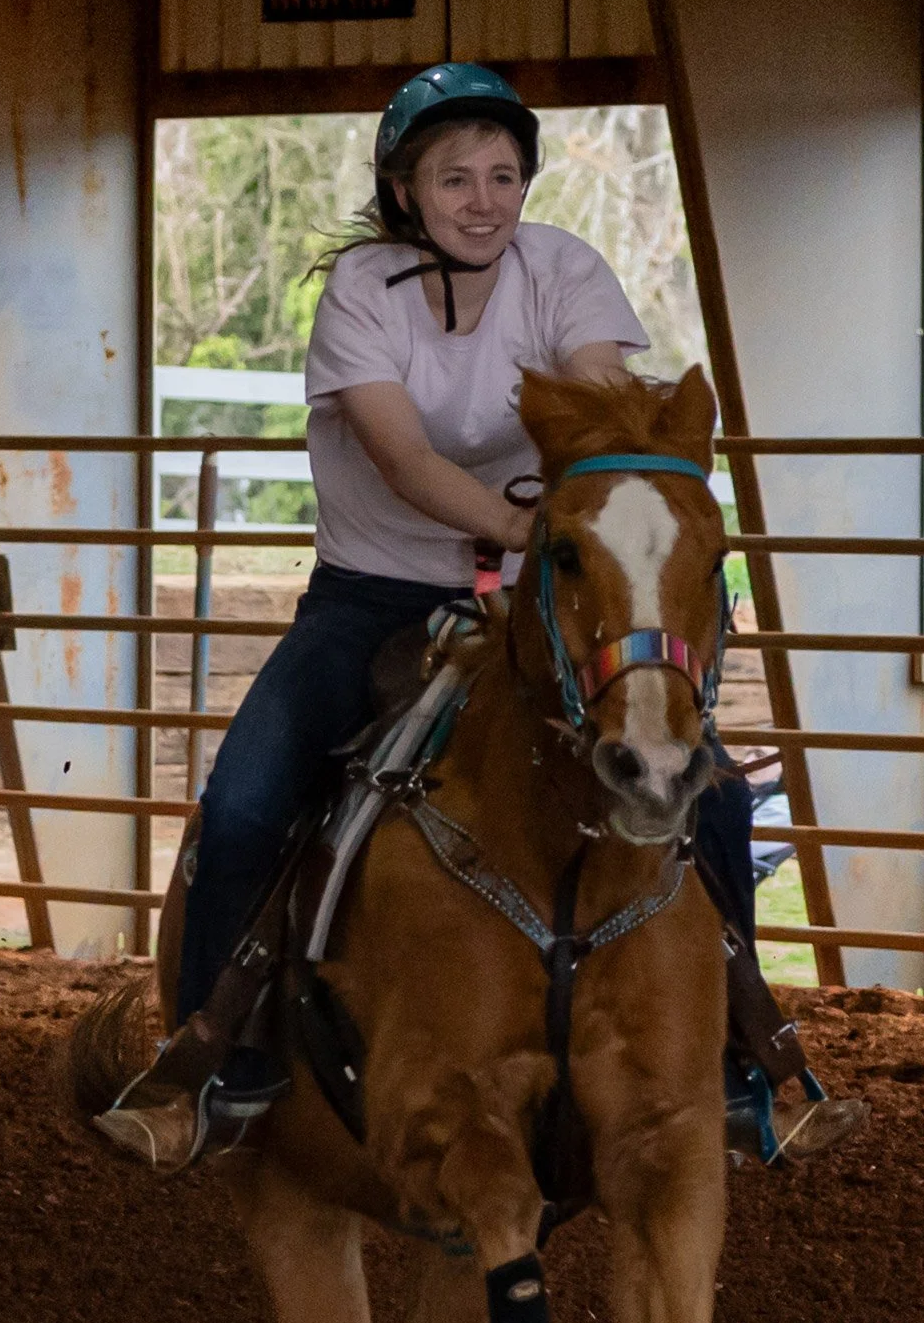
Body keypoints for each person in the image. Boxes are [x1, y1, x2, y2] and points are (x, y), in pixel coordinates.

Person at [100, 62, 864, 1170]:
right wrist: (524, 528)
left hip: (538, 599)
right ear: (404, 189)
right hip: (375, 592)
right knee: (247, 798)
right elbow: (405, 461)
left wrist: (575, 529)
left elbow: (601, 408)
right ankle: (208, 1062)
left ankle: (750, 1062)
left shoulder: (563, 270)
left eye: (503, 175)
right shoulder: (362, 290)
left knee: (705, 795)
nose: (483, 198)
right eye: (454, 176)